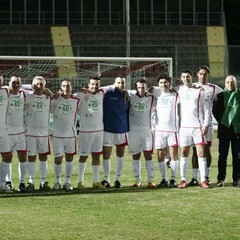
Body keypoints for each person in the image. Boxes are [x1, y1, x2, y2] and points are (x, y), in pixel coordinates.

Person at [176, 69, 210, 189]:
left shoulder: (200, 91)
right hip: (184, 127)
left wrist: (206, 124)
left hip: (198, 127)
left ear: (192, 77)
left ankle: (203, 180)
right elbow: (164, 89)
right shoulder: (179, 90)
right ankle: (183, 180)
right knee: (184, 153)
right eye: (184, 77)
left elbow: (206, 109)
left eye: (188, 76)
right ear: (181, 78)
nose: (186, 79)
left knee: (201, 153)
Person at [189, 66, 223, 186]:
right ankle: (194, 178)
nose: (202, 76)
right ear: (197, 74)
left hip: (207, 124)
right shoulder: (191, 87)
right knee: (195, 150)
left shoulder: (214, 88)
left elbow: (227, 94)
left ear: (207, 75)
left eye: (205, 74)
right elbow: (174, 90)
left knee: (206, 150)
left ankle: (206, 176)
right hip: (193, 123)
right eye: (201, 74)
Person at [75, 76, 106, 189]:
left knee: (96, 156)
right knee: (84, 156)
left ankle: (96, 181)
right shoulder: (81, 94)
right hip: (85, 131)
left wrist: (125, 91)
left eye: (96, 84)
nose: (94, 86)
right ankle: (80, 182)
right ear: (88, 85)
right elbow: (68, 97)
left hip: (99, 130)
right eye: (92, 84)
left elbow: (114, 86)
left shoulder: (102, 93)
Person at [152, 73, 180, 188]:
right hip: (159, 130)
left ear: (169, 83)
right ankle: (164, 179)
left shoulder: (176, 95)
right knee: (161, 154)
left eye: (165, 82)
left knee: (173, 154)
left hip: (173, 130)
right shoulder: (156, 94)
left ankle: (173, 179)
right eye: (161, 83)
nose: (163, 84)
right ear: (158, 84)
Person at [51, 80, 80, 191]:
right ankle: (57, 181)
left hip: (71, 135)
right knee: (58, 159)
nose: (66, 87)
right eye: (63, 86)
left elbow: (85, 110)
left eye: (68, 85)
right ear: (61, 87)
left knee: (69, 158)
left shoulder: (76, 100)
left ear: (71, 87)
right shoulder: (56, 99)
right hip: (58, 135)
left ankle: (67, 182)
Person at [25, 76, 52, 191]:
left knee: (43, 157)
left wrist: (51, 93)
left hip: (44, 134)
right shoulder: (27, 97)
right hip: (30, 133)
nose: (39, 86)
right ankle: (30, 181)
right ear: (32, 85)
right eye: (36, 84)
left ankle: (43, 181)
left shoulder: (49, 98)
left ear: (44, 86)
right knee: (31, 157)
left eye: (41, 84)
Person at [101, 74, 129, 188]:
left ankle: (118, 179)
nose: (121, 85)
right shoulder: (107, 94)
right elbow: (99, 89)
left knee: (120, 154)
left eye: (122, 83)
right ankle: (106, 179)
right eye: (118, 82)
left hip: (122, 129)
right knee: (106, 155)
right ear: (114, 84)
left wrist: (126, 91)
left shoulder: (127, 95)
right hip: (108, 129)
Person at [128, 78, 157, 189]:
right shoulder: (131, 97)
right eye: (139, 87)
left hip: (147, 131)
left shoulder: (152, 98)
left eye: (143, 87)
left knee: (148, 155)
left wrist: (155, 88)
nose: (141, 90)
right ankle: (137, 179)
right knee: (136, 156)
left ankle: (151, 180)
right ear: (136, 88)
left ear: (146, 88)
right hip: (134, 131)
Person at [213, 75, 240, 187]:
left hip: (237, 131)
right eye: (228, 82)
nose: (230, 84)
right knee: (222, 156)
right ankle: (221, 179)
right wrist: (224, 122)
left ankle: (237, 179)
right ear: (225, 83)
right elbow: (214, 112)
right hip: (224, 130)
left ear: (236, 83)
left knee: (237, 156)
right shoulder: (219, 96)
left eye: (232, 82)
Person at [5, 76, 28, 192]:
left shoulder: (24, 94)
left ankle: (22, 182)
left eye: (17, 83)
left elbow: (36, 90)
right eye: (13, 82)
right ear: (9, 83)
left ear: (20, 84)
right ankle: (8, 182)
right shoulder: (5, 94)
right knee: (8, 157)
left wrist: (46, 90)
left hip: (21, 132)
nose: (15, 85)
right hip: (7, 132)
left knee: (23, 157)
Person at [0, 75, 14, 193]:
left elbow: (19, 87)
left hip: (2, 130)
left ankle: (0, 184)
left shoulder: (5, 90)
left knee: (8, 156)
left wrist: (46, 90)